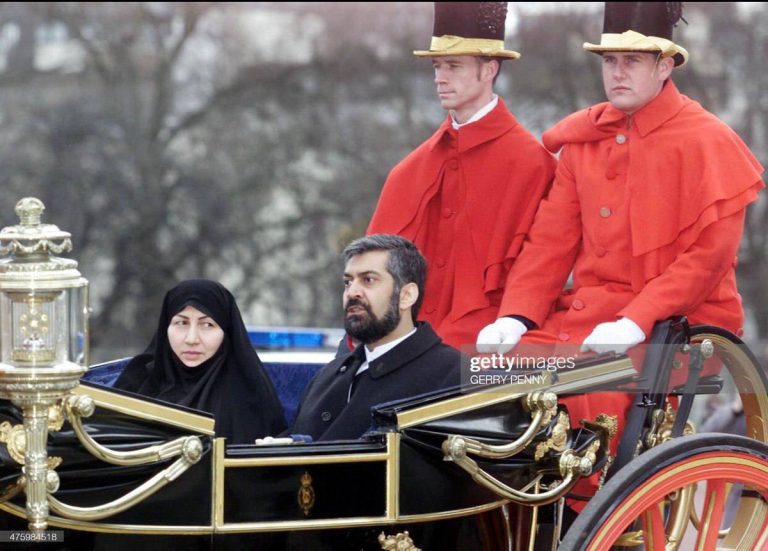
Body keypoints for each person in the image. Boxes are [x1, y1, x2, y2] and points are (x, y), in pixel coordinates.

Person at [477, 0, 764, 496]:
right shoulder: (585, 141)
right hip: (589, 320)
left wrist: (635, 318)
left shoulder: (709, 141)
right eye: (610, 61)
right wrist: (517, 315)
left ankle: (578, 512)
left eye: (632, 60)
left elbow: (707, 259)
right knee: (481, 375)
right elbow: (550, 242)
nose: (617, 72)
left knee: (587, 388)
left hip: (677, 327)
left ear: (665, 65)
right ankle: (506, 510)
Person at [367, 2, 556, 350]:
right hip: (400, 345)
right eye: (438, 65)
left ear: (489, 70)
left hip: (487, 349)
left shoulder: (533, 164)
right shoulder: (409, 170)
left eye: (453, 65)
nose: (440, 77)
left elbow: (543, 266)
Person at [291, 234, 461, 441]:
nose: (352, 292)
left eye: (368, 280)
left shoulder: (456, 374)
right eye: (347, 282)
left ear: (406, 295)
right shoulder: (327, 376)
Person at [114, 278, 286, 444]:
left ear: (226, 332)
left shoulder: (248, 397)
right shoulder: (138, 381)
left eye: (207, 325)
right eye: (182, 323)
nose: (191, 338)